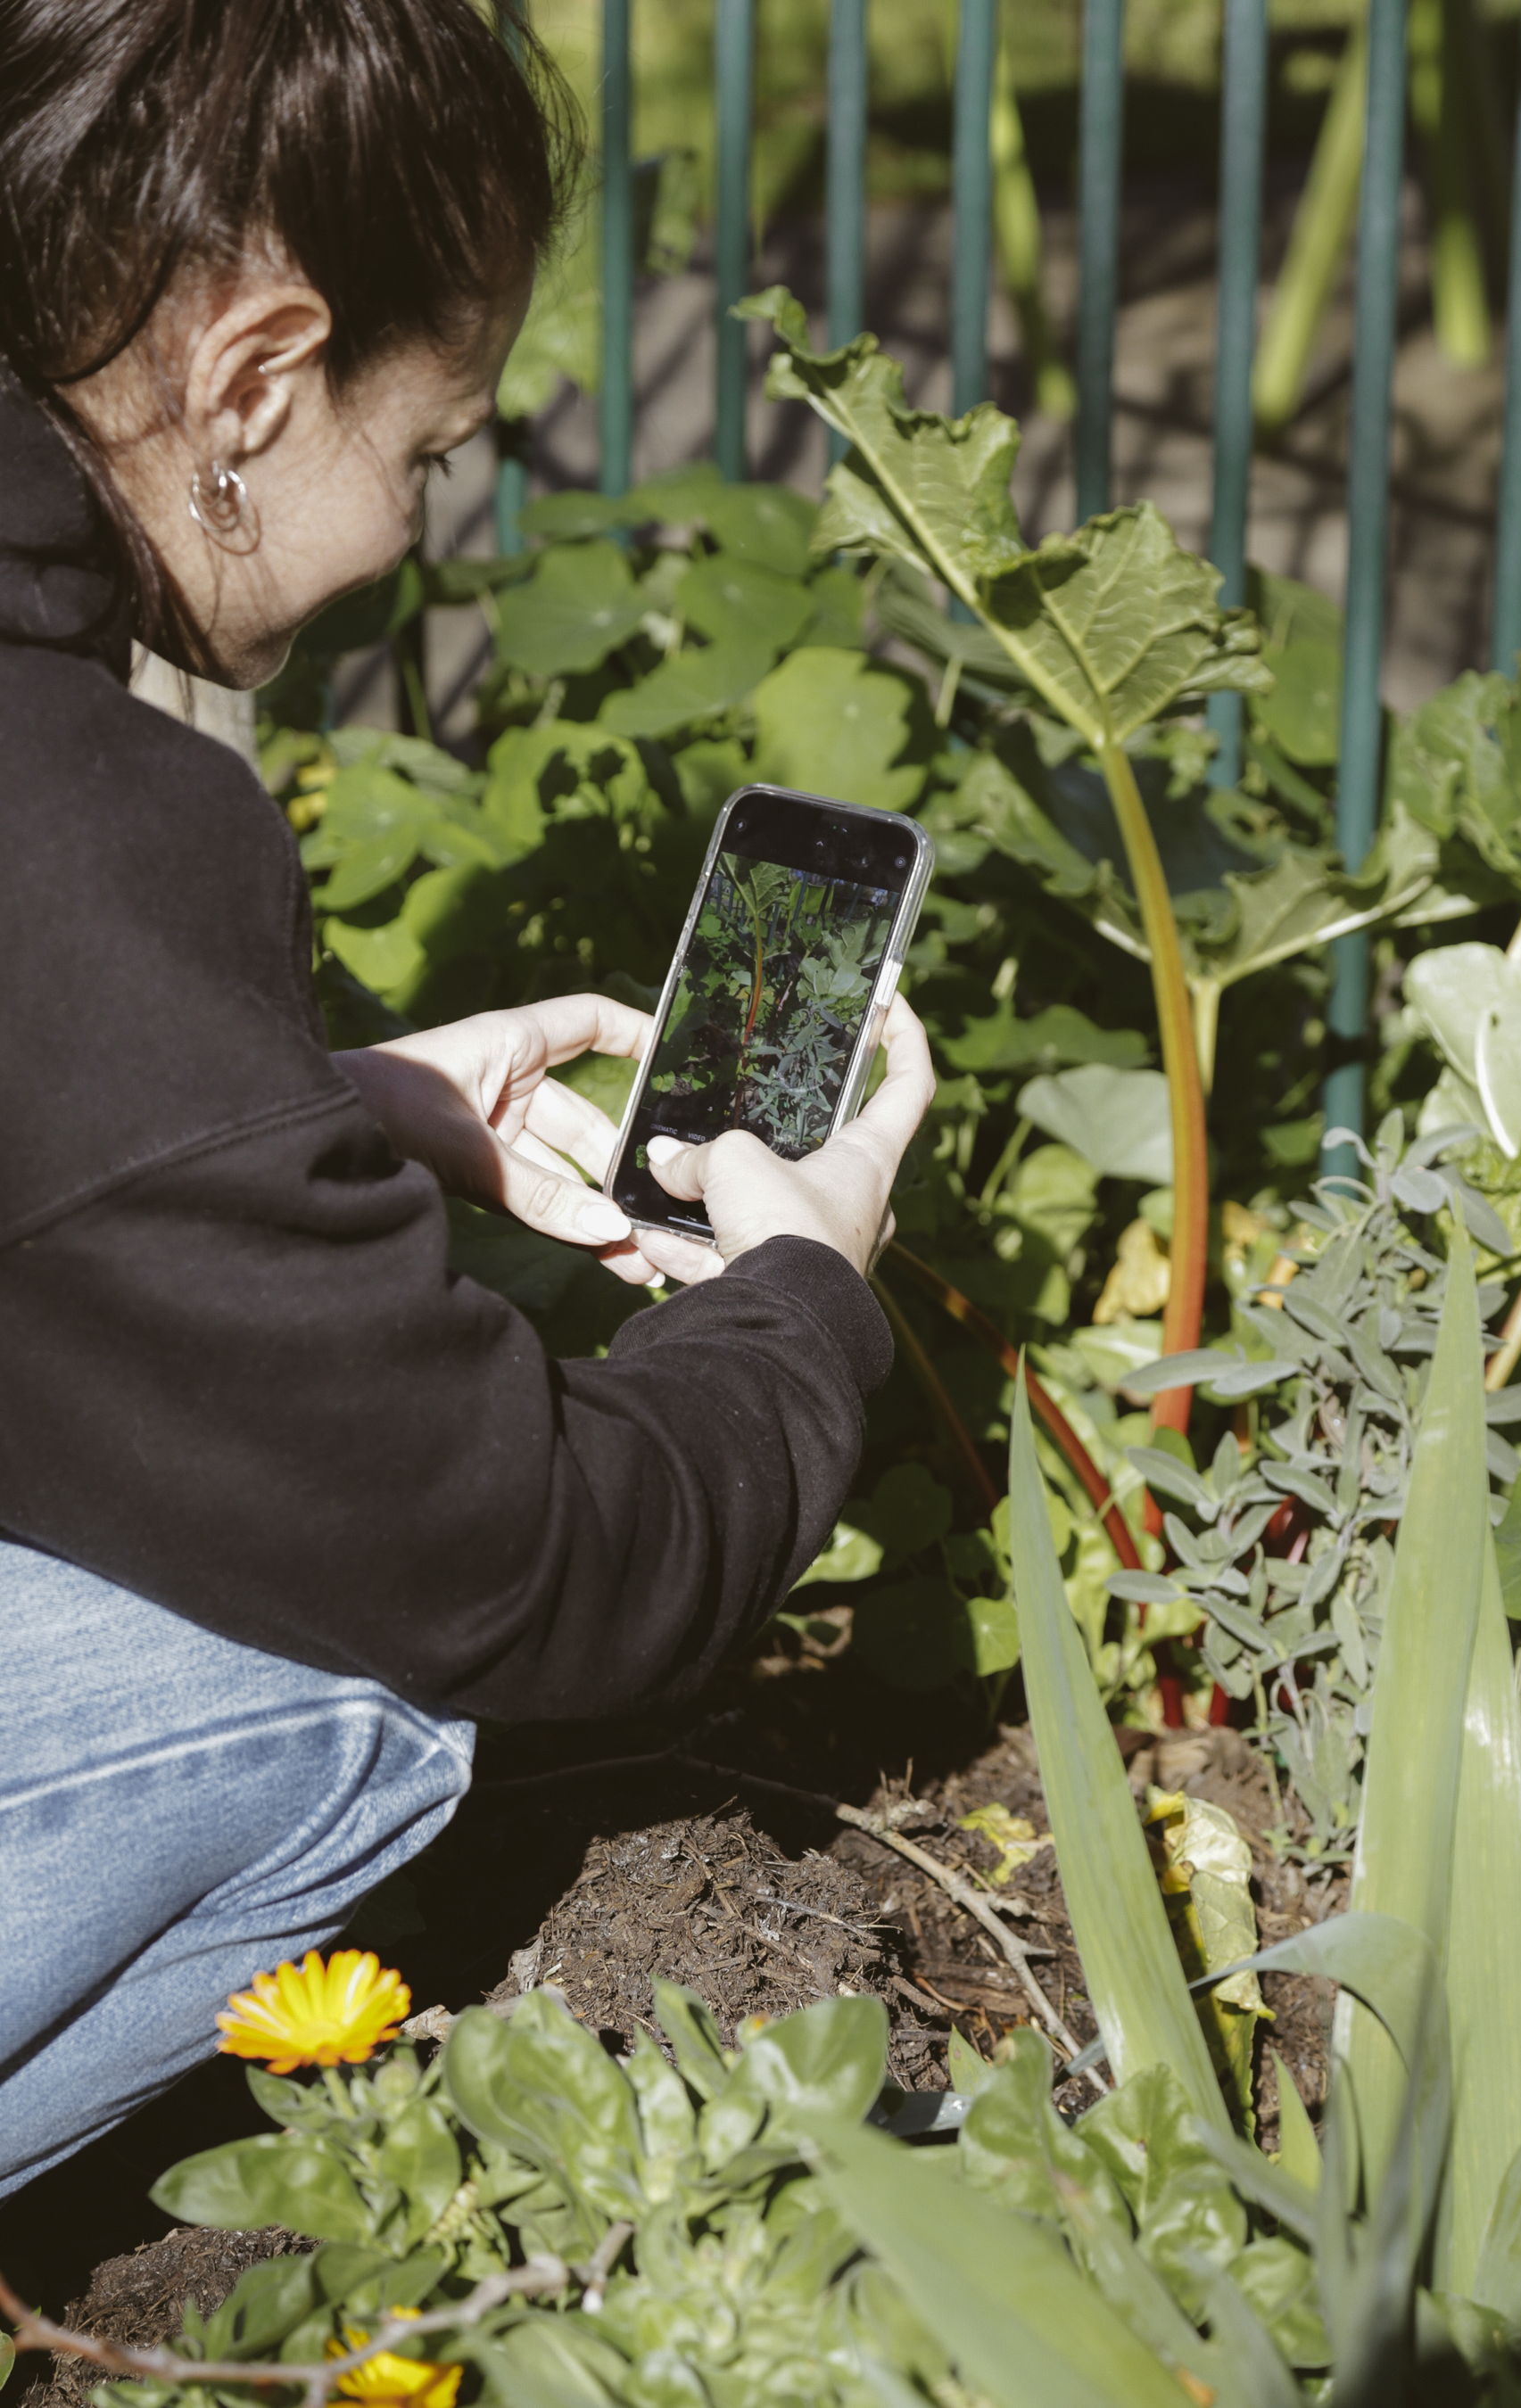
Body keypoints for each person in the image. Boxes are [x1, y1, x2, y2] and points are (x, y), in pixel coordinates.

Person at [0, 0, 932, 2194]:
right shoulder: (71, 829)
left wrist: (269, 1118)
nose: (413, 533)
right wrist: (802, 1302)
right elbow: (500, 1567)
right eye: (425, 453)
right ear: (251, 377)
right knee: (345, 1689)